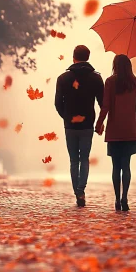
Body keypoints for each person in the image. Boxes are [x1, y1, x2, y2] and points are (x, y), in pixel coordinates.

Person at [55, 45, 104, 207]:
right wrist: (99, 122)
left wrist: (67, 118)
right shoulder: (96, 79)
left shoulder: (63, 79)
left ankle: (77, 192)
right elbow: (103, 103)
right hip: (88, 124)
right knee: (84, 158)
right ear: (88, 57)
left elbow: (57, 104)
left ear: (73, 57)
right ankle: (81, 189)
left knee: (73, 160)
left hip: (70, 126)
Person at [95, 54, 136, 212]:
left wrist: (99, 122)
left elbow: (106, 106)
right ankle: (125, 198)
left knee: (116, 166)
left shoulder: (110, 82)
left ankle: (116, 199)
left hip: (115, 129)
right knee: (126, 165)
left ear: (115, 65)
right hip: (130, 129)